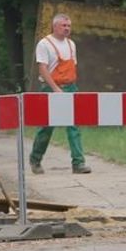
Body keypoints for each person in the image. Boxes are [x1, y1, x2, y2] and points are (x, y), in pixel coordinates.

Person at [29, 13, 91, 174]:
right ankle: (35, 159)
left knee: (74, 126)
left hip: (70, 87)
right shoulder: (45, 44)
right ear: (55, 26)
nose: (67, 29)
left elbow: (73, 66)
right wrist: (55, 88)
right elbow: (42, 68)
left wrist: (71, 87)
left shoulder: (71, 44)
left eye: (69, 26)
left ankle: (78, 163)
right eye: (64, 26)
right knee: (46, 127)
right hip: (50, 88)